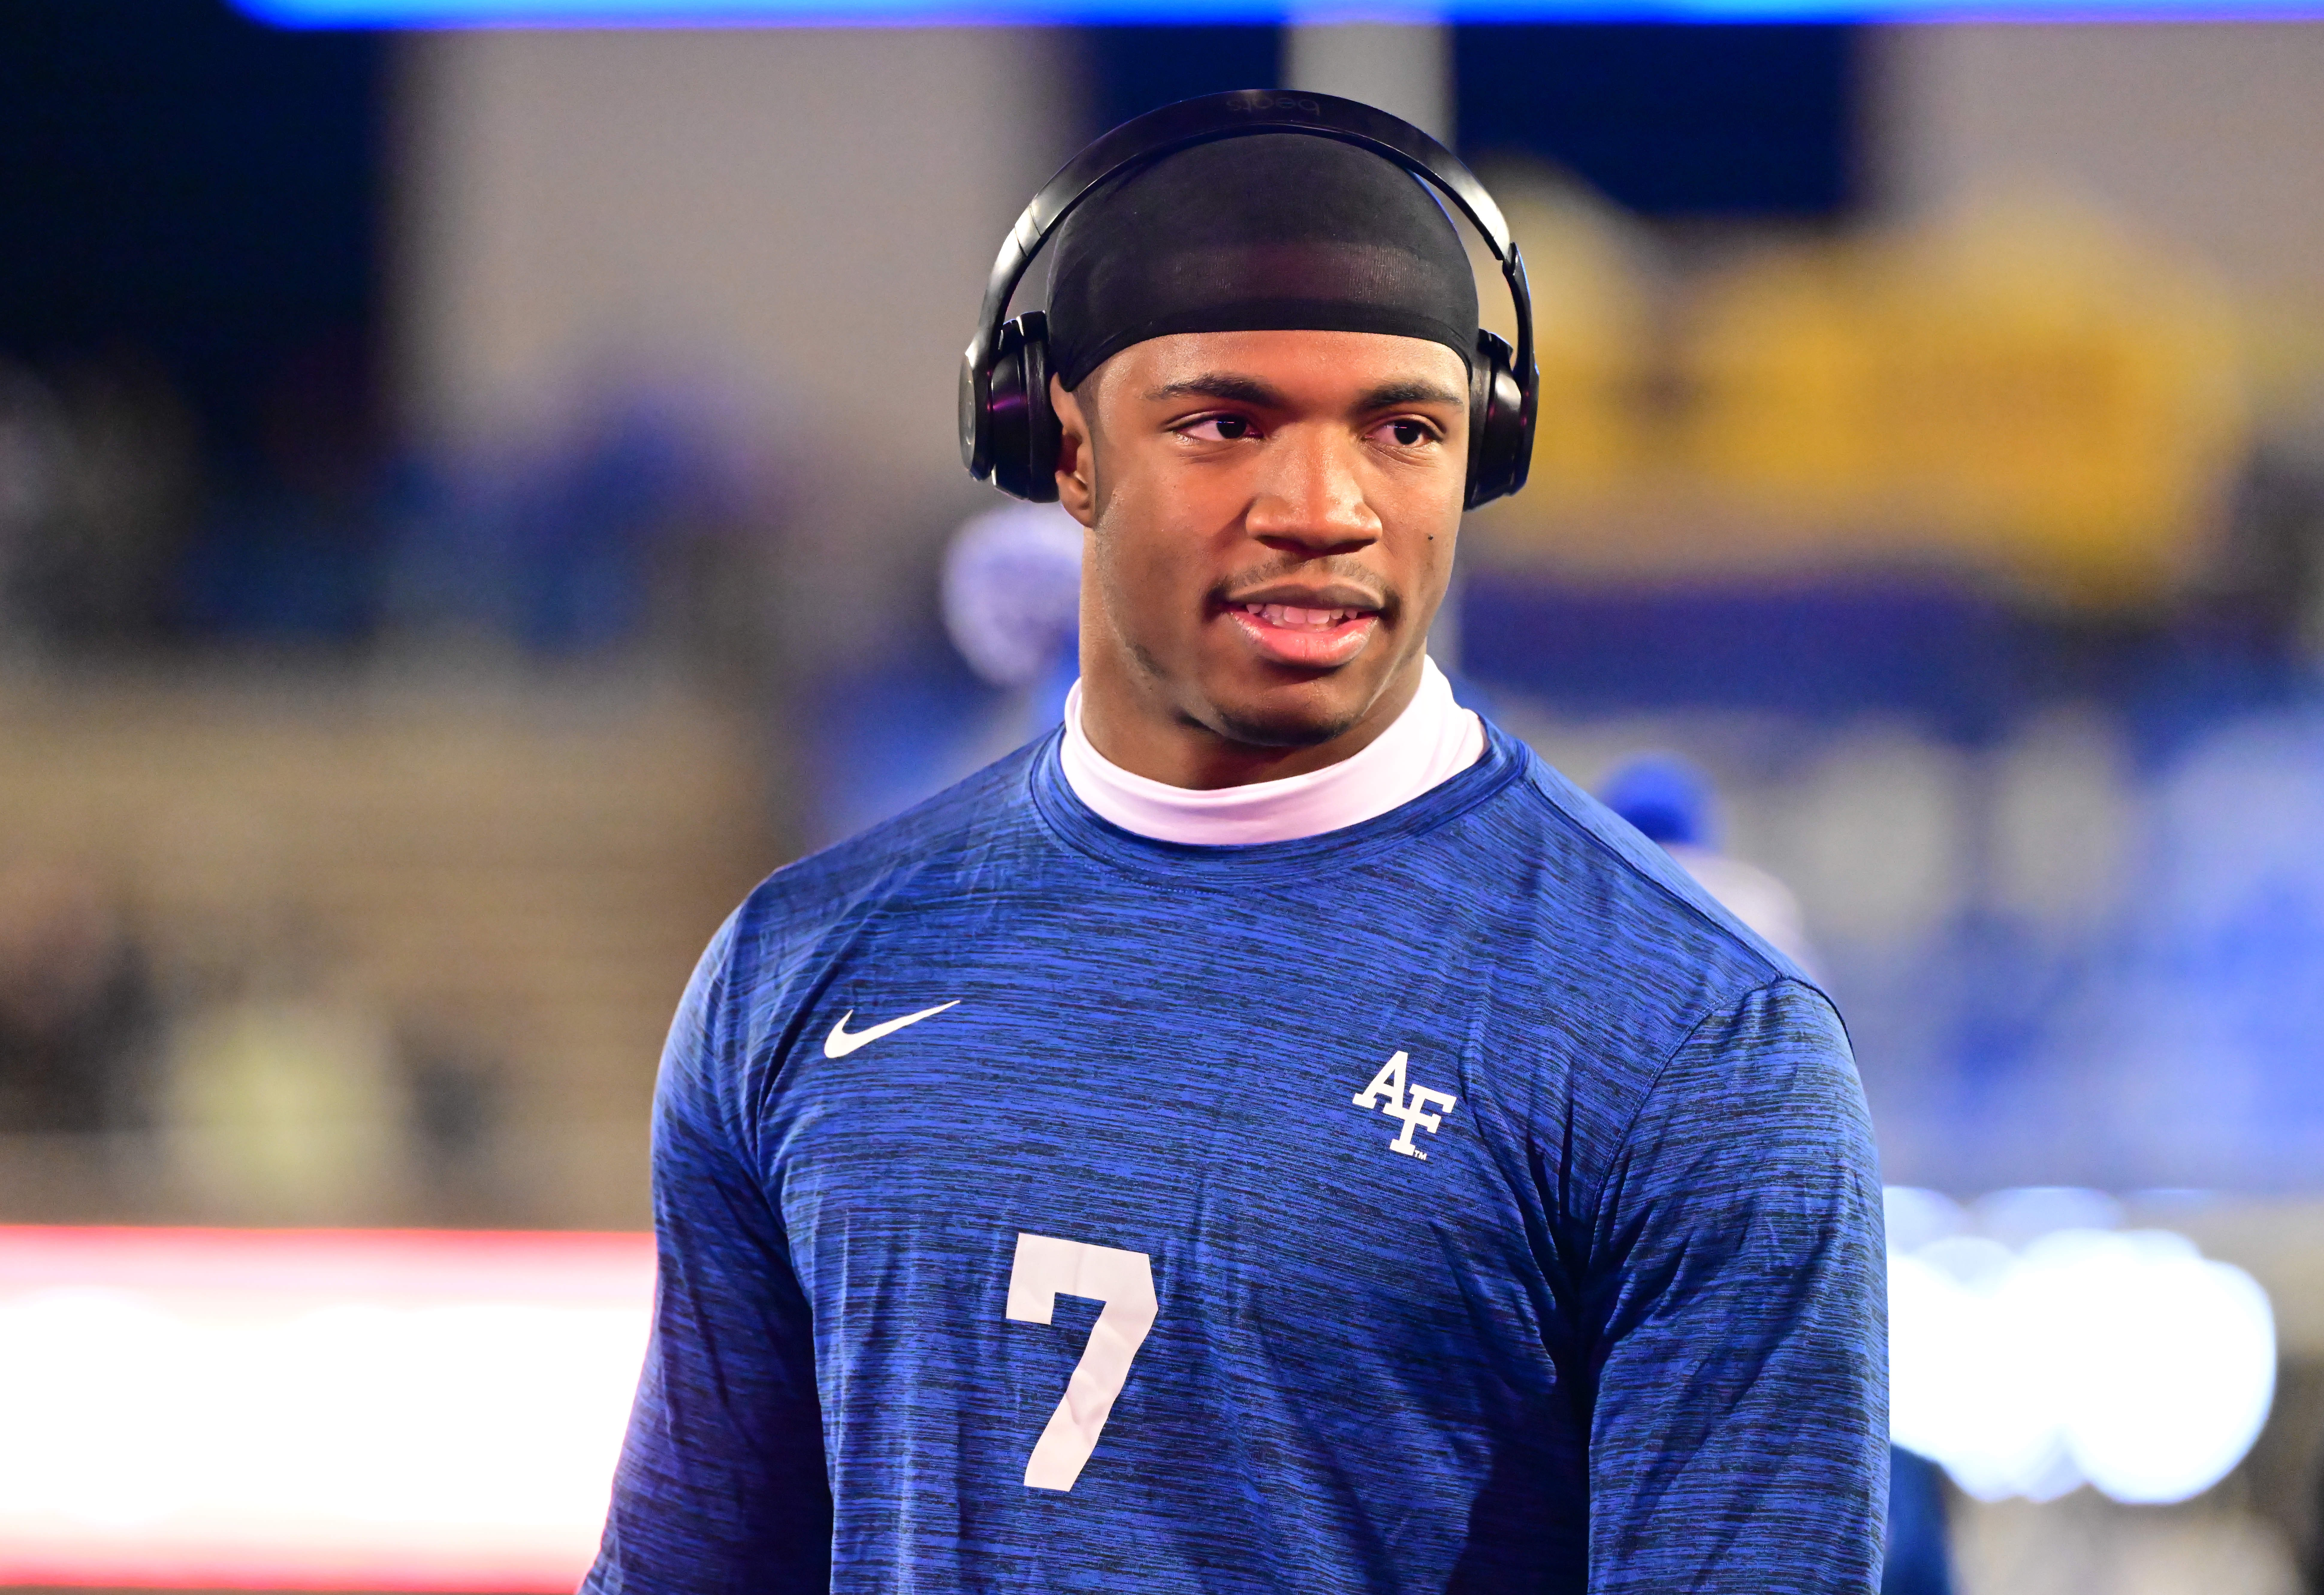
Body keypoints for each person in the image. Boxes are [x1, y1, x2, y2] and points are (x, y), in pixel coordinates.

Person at [587, 92, 1885, 1594]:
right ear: (1059, 445)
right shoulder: (798, 968)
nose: (1325, 509)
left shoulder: (1693, 1038)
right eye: (1226, 422)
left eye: (1404, 431)